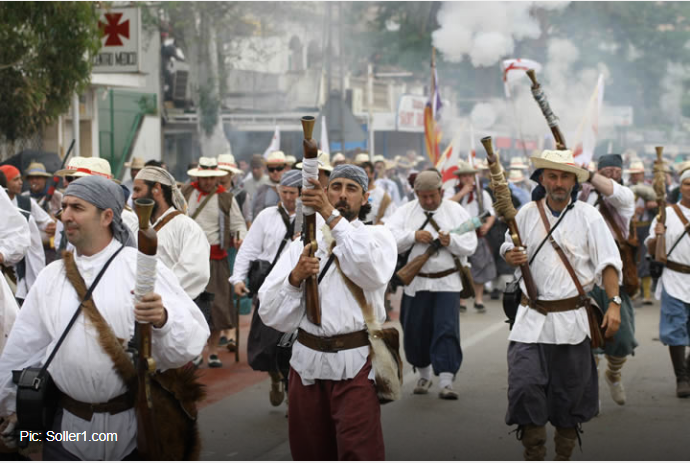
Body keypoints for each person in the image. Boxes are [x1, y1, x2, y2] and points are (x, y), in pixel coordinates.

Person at [0, 176, 209, 461]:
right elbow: (23, 346)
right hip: (66, 429)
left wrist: (163, 318)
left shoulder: (141, 268)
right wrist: (11, 405)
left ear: (107, 216)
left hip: (132, 427)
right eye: (65, 207)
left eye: (77, 207)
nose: (66, 215)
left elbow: (191, 341)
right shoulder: (51, 277)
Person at [259, 164, 396, 460]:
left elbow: (370, 271)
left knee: (359, 452)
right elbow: (269, 311)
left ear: (365, 197)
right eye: (336, 187)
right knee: (309, 451)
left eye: (351, 188)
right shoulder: (302, 244)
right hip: (306, 364)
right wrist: (294, 279)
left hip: (356, 363)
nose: (342, 194)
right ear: (326, 191)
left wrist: (331, 216)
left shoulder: (378, 238)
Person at [502, 149, 622, 460]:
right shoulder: (526, 213)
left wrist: (614, 303)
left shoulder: (589, 216)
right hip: (530, 319)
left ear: (574, 182)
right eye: (552, 176)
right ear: (541, 178)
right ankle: (534, 451)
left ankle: (563, 454)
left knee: (570, 397)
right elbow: (507, 244)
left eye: (564, 176)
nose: (557, 182)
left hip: (573, 322)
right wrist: (509, 255)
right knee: (524, 387)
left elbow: (608, 263)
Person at [386, 170, 478, 399]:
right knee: (415, 331)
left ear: (441, 192)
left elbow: (470, 244)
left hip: (447, 282)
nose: (428, 201)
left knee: (446, 329)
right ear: (416, 193)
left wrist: (451, 241)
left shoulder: (455, 211)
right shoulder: (405, 212)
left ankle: (446, 380)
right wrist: (413, 236)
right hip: (416, 283)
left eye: (432, 196)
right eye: (423, 197)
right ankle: (424, 374)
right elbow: (388, 238)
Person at [231, 170, 302, 407]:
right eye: (285, 192)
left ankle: (292, 392)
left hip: (297, 291)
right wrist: (238, 279)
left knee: (293, 345)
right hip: (267, 289)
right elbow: (249, 249)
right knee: (267, 346)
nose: (289, 197)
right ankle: (275, 378)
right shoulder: (265, 217)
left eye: (293, 193)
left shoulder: (311, 219)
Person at [580, 154, 639, 407]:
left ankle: (613, 374)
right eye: (608, 170)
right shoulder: (583, 195)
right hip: (585, 272)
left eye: (616, 170)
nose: (612, 173)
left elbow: (612, 190)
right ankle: (590, 389)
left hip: (615, 272)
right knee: (588, 339)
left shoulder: (624, 196)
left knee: (622, 339)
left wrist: (591, 175)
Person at [182, 157, 247, 368]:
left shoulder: (225, 197)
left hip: (215, 258)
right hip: (189, 258)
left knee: (217, 306)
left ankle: (212, 352)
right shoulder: (185, 193)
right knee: (191, 305)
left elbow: (238, 224)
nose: (209, 181)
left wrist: (239, 237)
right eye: (205, 178)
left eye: (212, 177)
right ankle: (196, 351)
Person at [130, 166, 210, 301]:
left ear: (157, 188)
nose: (133, 196)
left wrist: (157, 296)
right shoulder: (134, 226)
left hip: (174, 310)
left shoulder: (187, 228)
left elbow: (195, 272)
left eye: (138, 190)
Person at [645, 168, 690, 398]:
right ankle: (681, 377)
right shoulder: (667, 213)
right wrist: (658, 235)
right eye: (687, 184)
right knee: (676, 329)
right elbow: (651, 248)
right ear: (680, 187)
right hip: (674, 278)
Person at [445, 160, 497, 312]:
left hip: (477, 234)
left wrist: (487, 225)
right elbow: (445, 205)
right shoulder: (452, 190)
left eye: (470, 176)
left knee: (480, 266)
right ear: (460, 178)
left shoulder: (482, 193)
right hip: (458, 234)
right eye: (465, 176)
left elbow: (491, 213)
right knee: (460, 267)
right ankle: (462, 300)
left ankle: (478, 299)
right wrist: (462, 193)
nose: (468, 179)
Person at [0, 164, 56, 244]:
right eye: (16, 180)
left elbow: (45, 222)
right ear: (4, 183)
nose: (20, 183)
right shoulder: (25, 196)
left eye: (38, 178)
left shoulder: (26, 202)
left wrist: (51, 226)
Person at [354, 156, 396, 225]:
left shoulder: (383, 195)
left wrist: (376, 228)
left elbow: (388, 216)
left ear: (372, 174)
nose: (363, 176)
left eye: (366, 173)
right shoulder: (355, 193)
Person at [251, 151, 288, 222]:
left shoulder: (295, 188)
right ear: (267, 170)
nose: (275, 172)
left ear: (285, 168)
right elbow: (252, 213)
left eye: (279, 168)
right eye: (271, 169)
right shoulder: (261, 190)